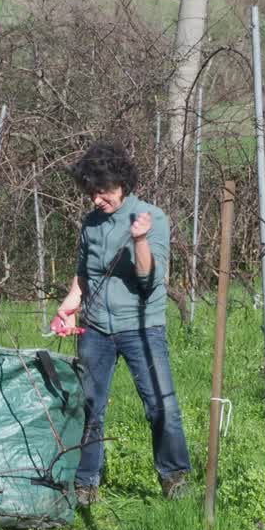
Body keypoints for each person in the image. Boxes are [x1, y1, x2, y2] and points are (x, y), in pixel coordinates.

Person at [51, 141, 191, 506]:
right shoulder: (90, 223)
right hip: (96, 328)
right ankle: (85, 483)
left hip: (142, 326)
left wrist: (140, 240)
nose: (97, 199)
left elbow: (149, 279)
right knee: (89, 406)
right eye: (91, 192)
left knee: (161, 405)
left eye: (103, 191)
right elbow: (84, 275)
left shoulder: (150, 217)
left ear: (121, 183)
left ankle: (173, 477)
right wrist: (68, 306)